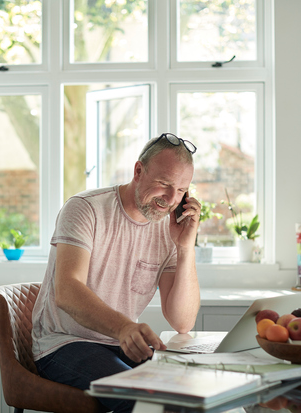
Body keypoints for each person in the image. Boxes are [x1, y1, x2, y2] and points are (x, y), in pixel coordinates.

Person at [31, 133, 202, 413]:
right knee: (142, 400)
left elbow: (182, 322)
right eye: (164, 184)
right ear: (138, 171)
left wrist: (185, 248)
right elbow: (67, 291)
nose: (172, 199)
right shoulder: (86, 209)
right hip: (64, 343)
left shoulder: (168, 228)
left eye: (182, 190)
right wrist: (124, 327)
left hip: (122, 345)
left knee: (186, 393)